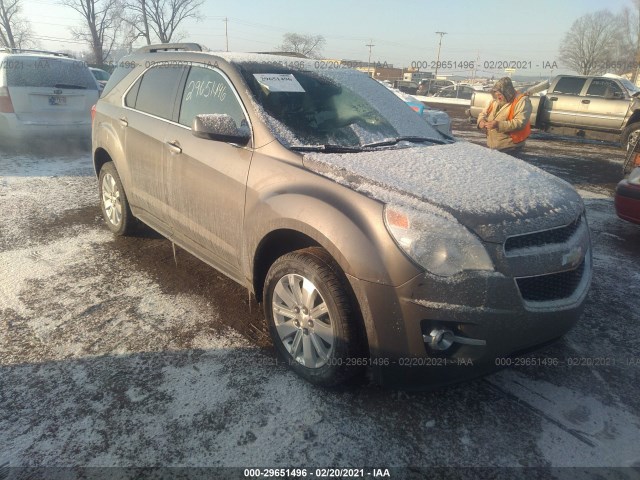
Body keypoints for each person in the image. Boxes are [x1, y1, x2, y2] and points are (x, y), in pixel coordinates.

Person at [477, 77, 532, 152]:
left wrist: (498, 125)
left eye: (499, 94)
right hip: (492, 145)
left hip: (511, 146)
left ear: (507, 92)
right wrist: (481, 121)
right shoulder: (494, 100)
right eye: (495, 94)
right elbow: (483, 113)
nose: (497, 96)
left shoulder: (522, 101)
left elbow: (520, 122)